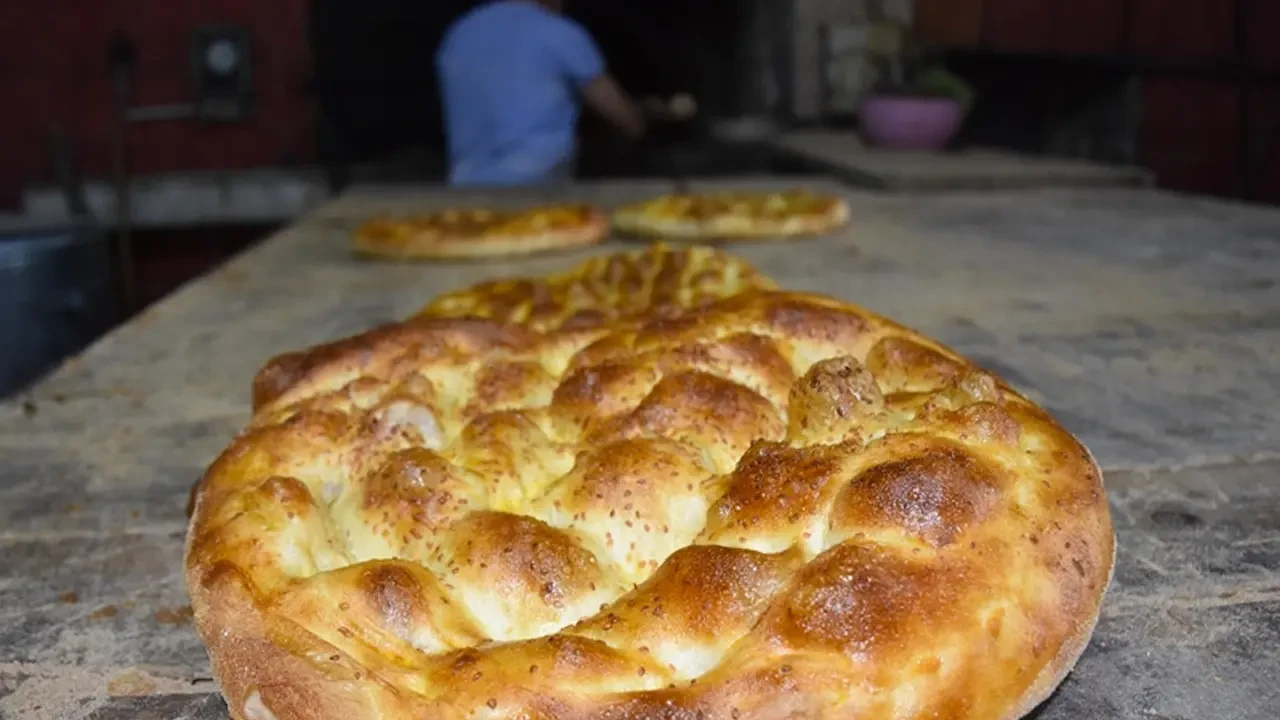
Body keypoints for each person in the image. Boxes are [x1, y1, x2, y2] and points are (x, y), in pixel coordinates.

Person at [436, 0, 693, 186]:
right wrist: (653, 113)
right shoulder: (558, 32)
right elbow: (627, 120)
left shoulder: (459, 33)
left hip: (465, 187)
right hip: (540, 185)